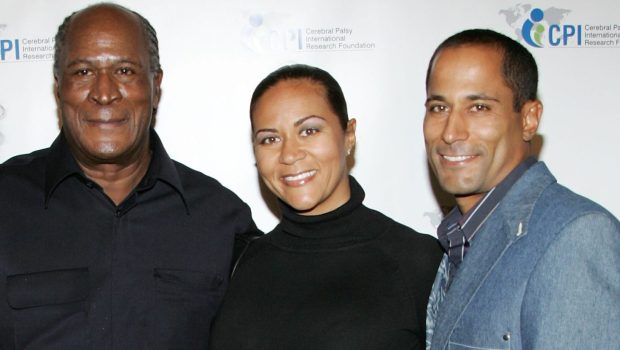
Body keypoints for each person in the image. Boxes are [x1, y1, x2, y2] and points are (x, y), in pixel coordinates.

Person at [0, 3, 259, 349]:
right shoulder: (6, 202)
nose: (104, 92)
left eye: (124, 70)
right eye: (82, 72)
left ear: (155, 85)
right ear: (58, 86)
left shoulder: (222, 220)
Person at [209, 64, 443, 349]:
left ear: (349, 135)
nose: (290, 154)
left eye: (309, 131)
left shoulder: (418, 261)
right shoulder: (241, 263)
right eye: (270, 139)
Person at [423, 29, 620, 350]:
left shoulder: (576, 236)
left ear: (529, 118)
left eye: (479, 108)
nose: (451, 132)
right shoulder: (460, 238)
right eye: (439, 108)